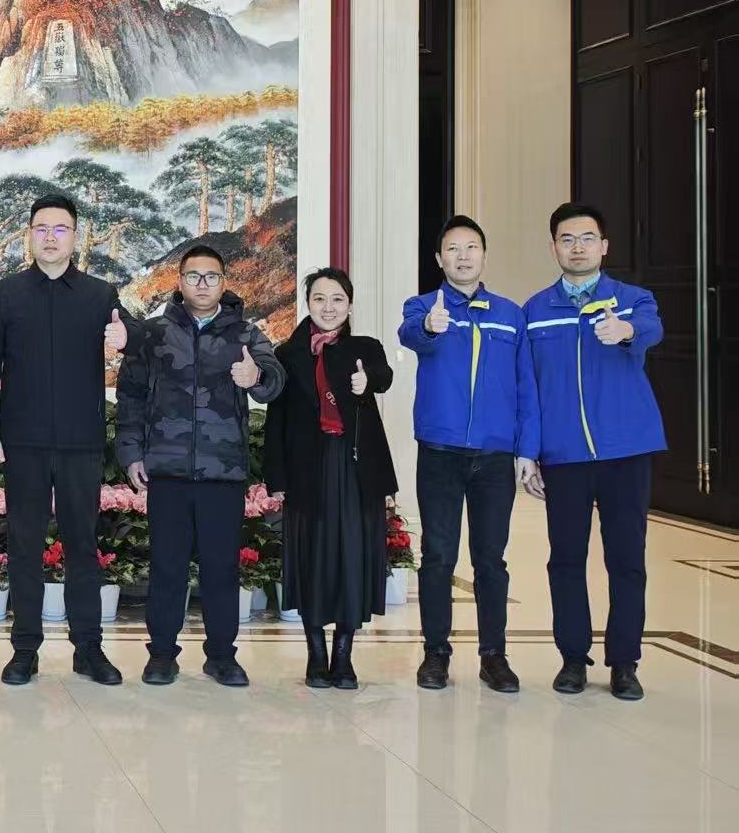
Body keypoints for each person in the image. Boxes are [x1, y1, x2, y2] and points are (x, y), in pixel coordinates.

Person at [0, 192, 140, 687]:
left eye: (60, 228)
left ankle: (89, 649)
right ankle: (25, 649)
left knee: (82, 545)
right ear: (29, 235)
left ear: (75, 236)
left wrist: (127, 338)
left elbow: (133, 335)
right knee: (23, 545)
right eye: (41, 228)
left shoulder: (99, 294)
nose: (50, 237)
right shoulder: (5, 294)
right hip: (21, 442)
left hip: (80, 443)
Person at [116, 244, 284, 688]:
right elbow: (130, 395)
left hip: (221, 473)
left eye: (211, 276)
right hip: (167, 472)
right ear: (180, 282)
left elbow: (275, 380)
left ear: (224, 282)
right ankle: (161, 655)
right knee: (167, 567)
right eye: (194, 276)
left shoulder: (246, 334)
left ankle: (222, 656)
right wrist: (131, 453)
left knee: (221, 569)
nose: (203, 284)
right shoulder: (153, 334)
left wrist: (256, 378)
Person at [522, 202, 665, 701]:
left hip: (626, 450)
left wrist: (626, 332)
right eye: (567, 239)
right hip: (564, 454)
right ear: (554, 248)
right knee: (565, 558)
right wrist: (528, 452)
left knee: (626, 558)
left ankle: (625, 662)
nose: (577, 247)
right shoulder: (535, 311)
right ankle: (572, 657)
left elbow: (651, 328)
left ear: (604, 245)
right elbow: (528, 389)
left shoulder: (632, 300)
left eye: (586, 238)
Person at [398, 215, 537, 693]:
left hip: (495, 457)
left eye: (471, 247)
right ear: (439, 259)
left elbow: (526, 386)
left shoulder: (510, 314)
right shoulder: (423, 306)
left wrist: (527, 450)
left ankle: (494, 655)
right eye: (453, 249)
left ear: (484, 255)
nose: (463, 256)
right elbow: (409, 334)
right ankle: (435, 652)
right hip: (440, 453)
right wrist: (430, 327)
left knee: (490, 559)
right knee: (438, 555)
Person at [264, 268, 397, 690]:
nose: (328, 307)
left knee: (352, 557)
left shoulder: (364, 348)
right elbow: (277, 420)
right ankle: (315, 653)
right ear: (308, 304)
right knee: (312, 557)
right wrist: (276, 477)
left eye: (337, 299)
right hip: (308, 467)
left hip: (357, 469)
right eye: (319, 299)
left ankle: (343, 654)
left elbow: (383, 375)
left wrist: (365, 381)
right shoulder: (288, 354)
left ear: (350, 305)